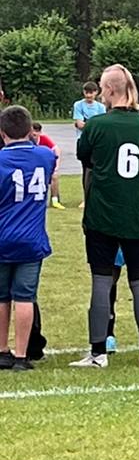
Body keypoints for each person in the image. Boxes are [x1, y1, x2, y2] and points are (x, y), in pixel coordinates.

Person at [71, 63, 139, 370]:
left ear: (109, 89)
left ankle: (98, 352)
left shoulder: (96, 126)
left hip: (102, 215)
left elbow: (88, 165)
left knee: (101, 280)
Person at [0, 105, 55, 372]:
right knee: (25, 296)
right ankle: (22, 356)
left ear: (2, 133)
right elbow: (51, 158)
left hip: (2, 235)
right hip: (31, 238)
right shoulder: (44, 155)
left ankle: (2, 350)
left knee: (1, 297)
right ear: (30, 130)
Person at [29, 123, 64, 209]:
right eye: (32, 132)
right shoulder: (27, 140)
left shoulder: (44, 139)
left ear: (40, 132)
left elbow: (57, 150)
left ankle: (55, 200)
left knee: (54, 177)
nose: (34, 134)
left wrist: (56, 167)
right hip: (32, 164)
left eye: (36, 132)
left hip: (43, 163)